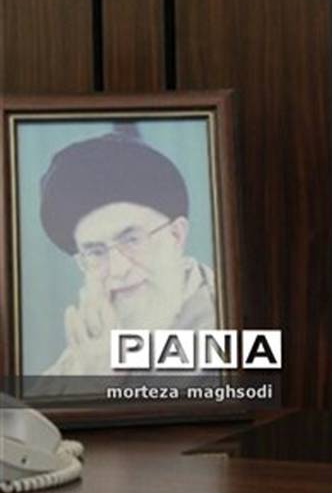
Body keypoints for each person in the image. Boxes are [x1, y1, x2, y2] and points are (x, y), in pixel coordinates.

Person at [38, 130, 216, 376]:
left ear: (176, 235)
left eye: (132, 240)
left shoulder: (236, 321)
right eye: (96, 252)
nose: (119, 270)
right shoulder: (86, 356)